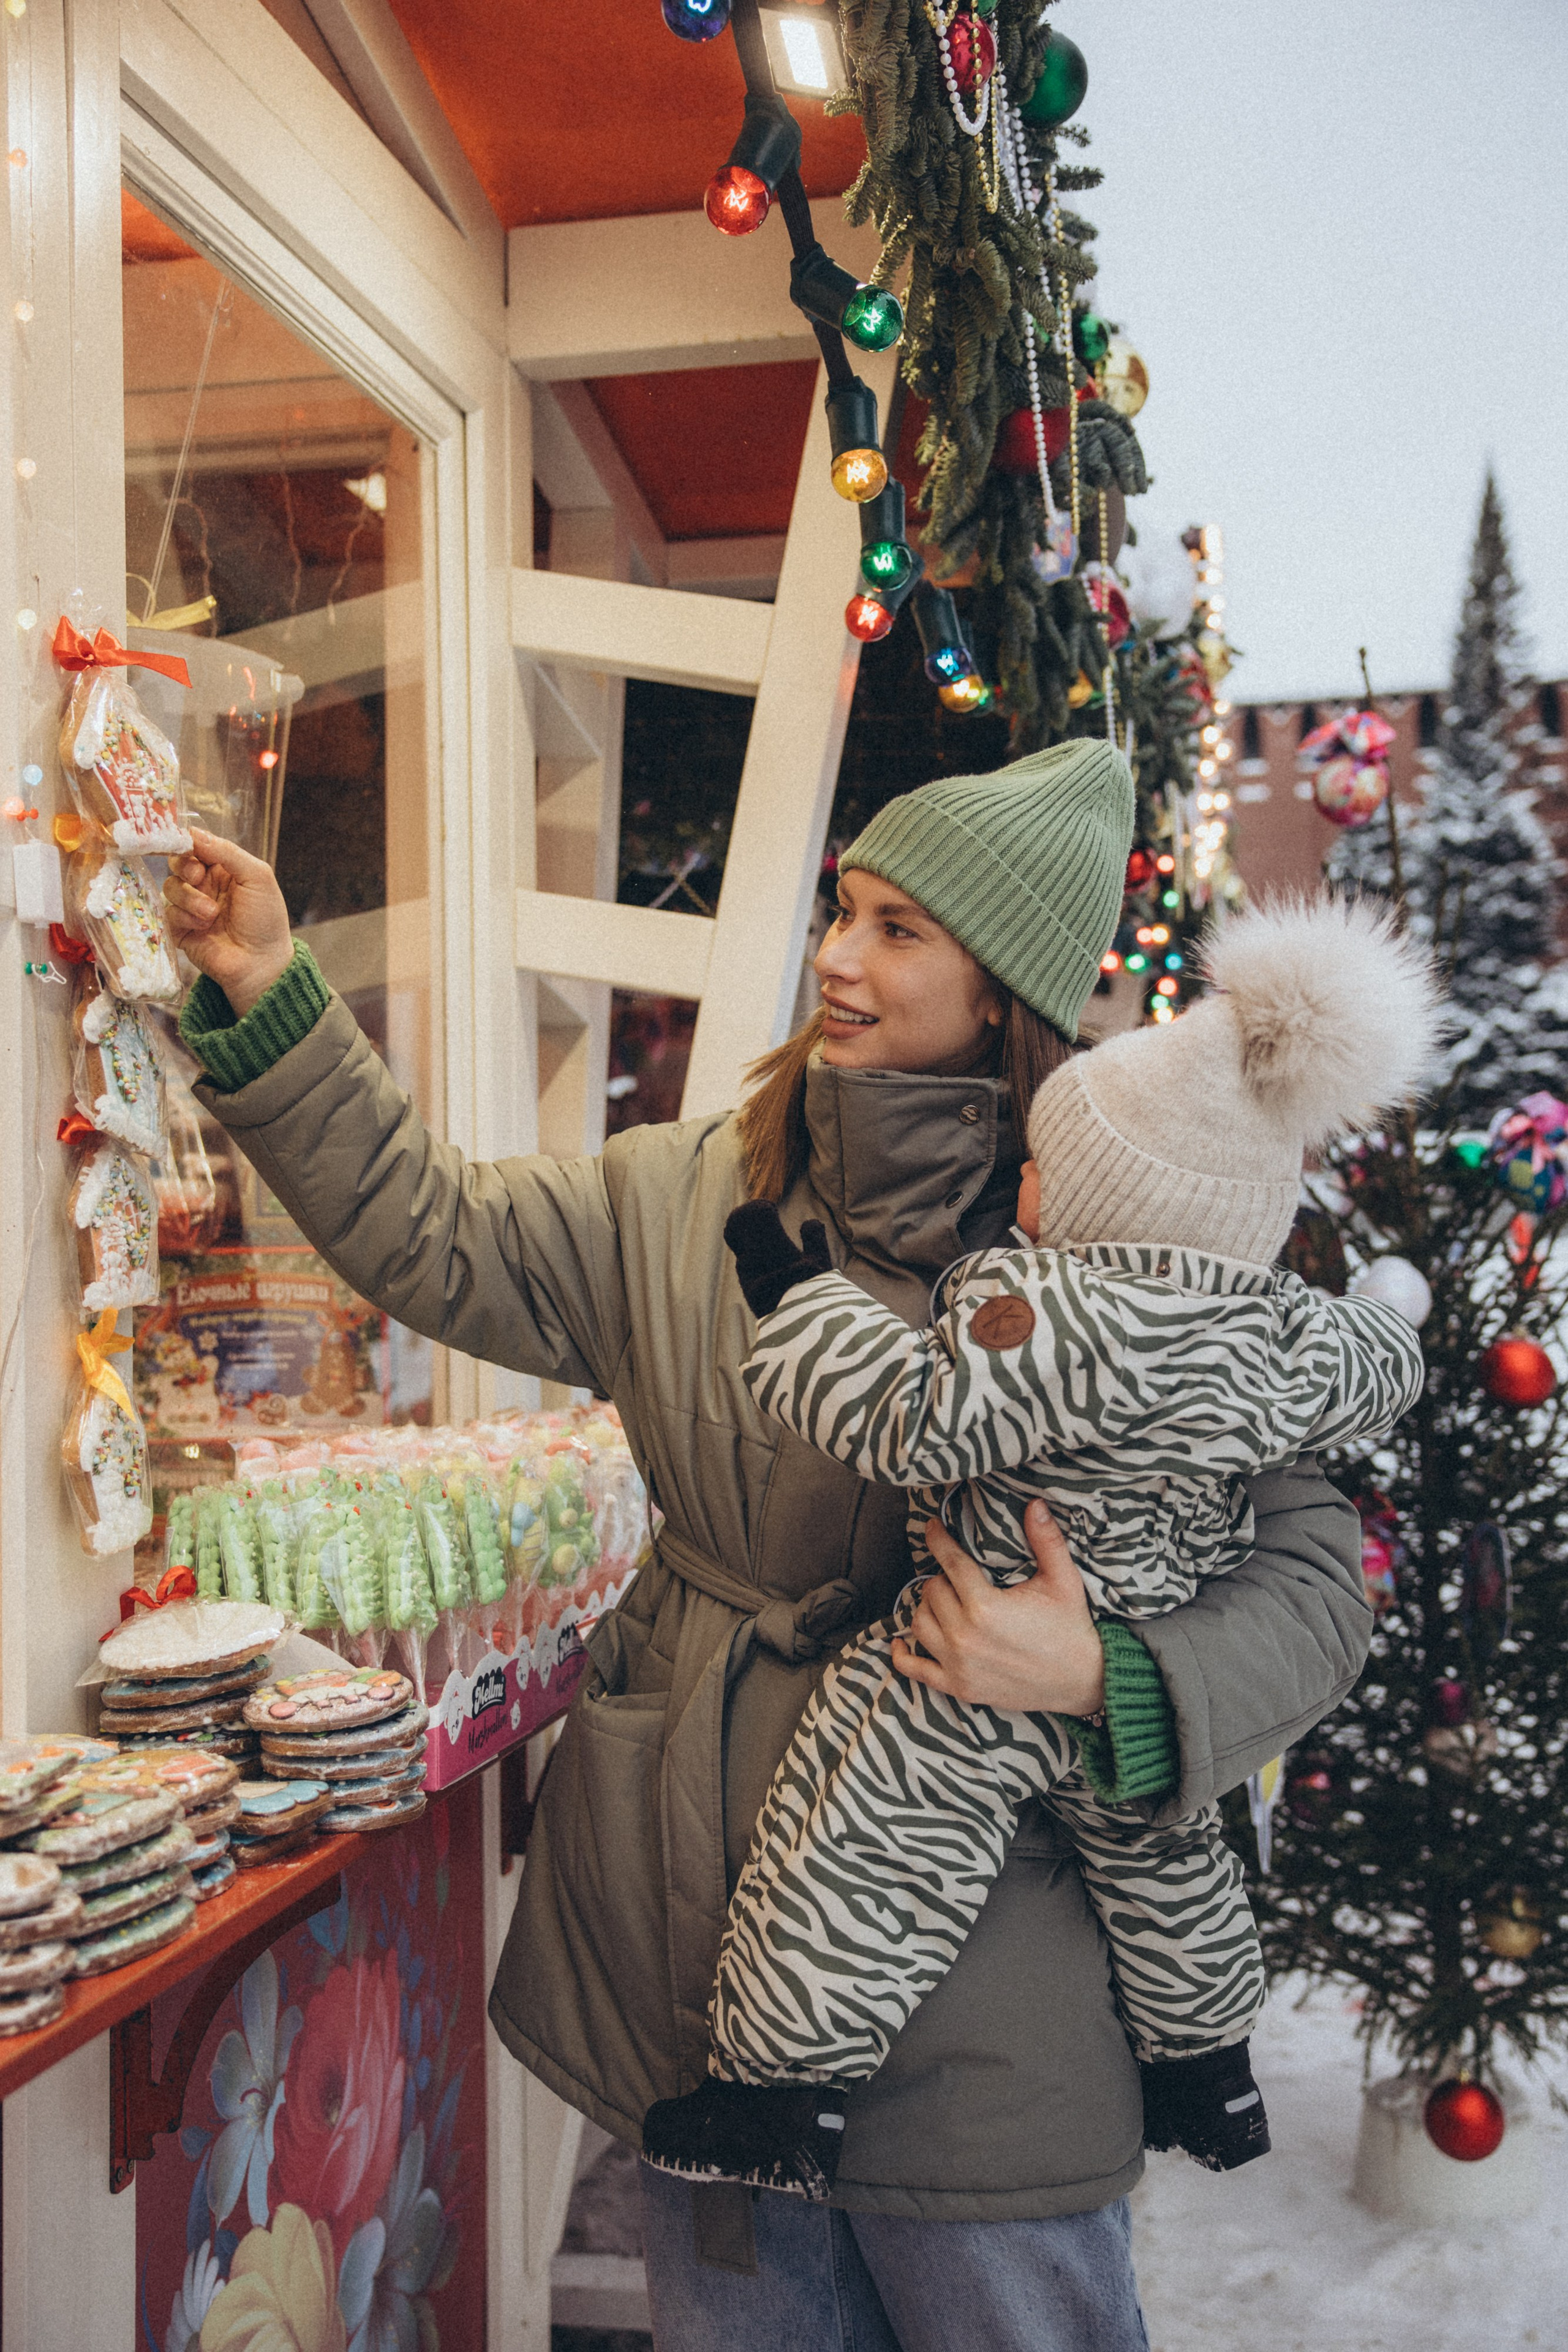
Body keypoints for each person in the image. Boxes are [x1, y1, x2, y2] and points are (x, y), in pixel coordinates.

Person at [165, 741, 1374, 2352]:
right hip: (706, 1958)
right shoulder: (691, 1193)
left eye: (899, 931)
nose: (838, 958)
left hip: (998, 2000)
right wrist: (271, 993)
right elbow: (435, 1233)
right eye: (842, 911)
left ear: (1001, 994)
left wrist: (1107, 1674)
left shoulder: (1121, 1238)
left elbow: (1313, 1588)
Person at [642, 895, 1435, 2199]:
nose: (1022, 1190)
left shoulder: (1049, 1324)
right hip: (1140, 1643)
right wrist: (1388, 1307)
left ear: (1072, 1206)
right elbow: (1370, 1364)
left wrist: (796, 1302)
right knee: (1168, 1864)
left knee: (867, 1846)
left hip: (974, 1656)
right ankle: (1208, 2069)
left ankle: (779, 2088)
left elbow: (903, 1413)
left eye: (1043, 1176)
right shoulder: (1286, 1338)